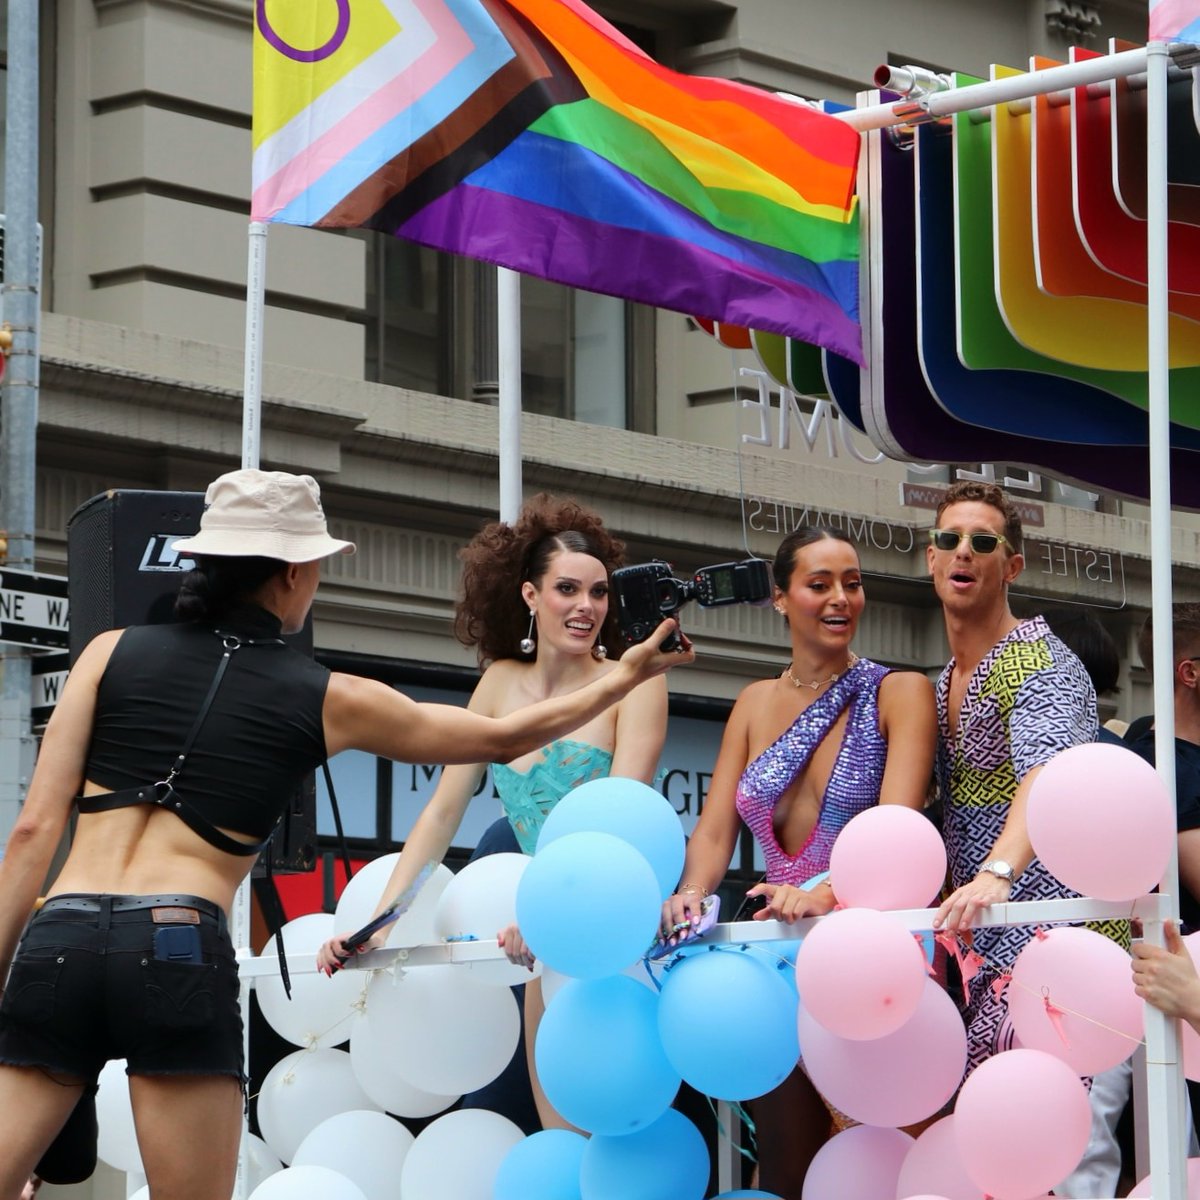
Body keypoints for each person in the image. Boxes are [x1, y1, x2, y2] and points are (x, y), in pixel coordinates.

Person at [0, 469, 690, 1200]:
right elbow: (500, 737)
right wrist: (628, 673)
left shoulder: (106, 652)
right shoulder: (325, 694)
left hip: (61, 938)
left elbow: (33, 834)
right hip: (175, 944)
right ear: (296, 572)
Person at [317, 494, 670, 1130]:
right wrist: (381, 922)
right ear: (531, 596)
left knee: (618, 1134)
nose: (586, 607)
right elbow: (441, 814)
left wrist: (554, 917)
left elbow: (619, 824)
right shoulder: (499, 683)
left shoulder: (636, 681)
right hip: (535, 938)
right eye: (567, 589)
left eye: (598, 593)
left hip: (610, 922)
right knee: (560, 1146)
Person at [658, 526, 937, 1199]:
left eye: (853, 582)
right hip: (775, 965)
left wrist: (831, 894)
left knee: (886, 1154)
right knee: (788, 1162)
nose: (841, 598)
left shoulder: (900, 693)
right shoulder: (753, 704)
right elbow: (715, 832)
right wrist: (691, 894)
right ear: (780, 598)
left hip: (870, 950)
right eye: (820, 585)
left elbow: (898, 832)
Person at [926, 483, 1103, 1189]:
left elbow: (1048, 779)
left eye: (982, 541)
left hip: (1047, 946)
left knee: (1035, 1155)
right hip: (975, 942)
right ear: (931, 562)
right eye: (948, 540)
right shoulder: (944, 679)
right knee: (989, 1155)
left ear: (1012, 566)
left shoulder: (1044, 662)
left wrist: (999, 869)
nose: (963, 551)